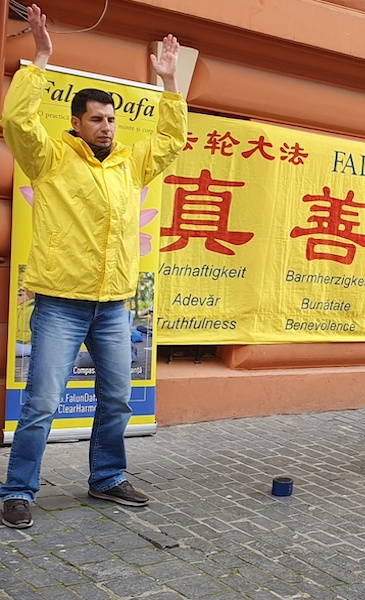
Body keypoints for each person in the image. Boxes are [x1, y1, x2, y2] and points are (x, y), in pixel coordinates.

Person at [1, 4, 188, 529]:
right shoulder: (50, 158)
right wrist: (40, 57)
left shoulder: (130, 164)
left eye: (111, 119)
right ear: (77, 122)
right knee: (41, 404)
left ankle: (107, 478)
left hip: (113, 304)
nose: (107, 127)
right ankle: (17, 490)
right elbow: (16, 118)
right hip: (60, 303)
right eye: (97, 119)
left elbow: (171, 141)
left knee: (117, 399)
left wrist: (169, 85)